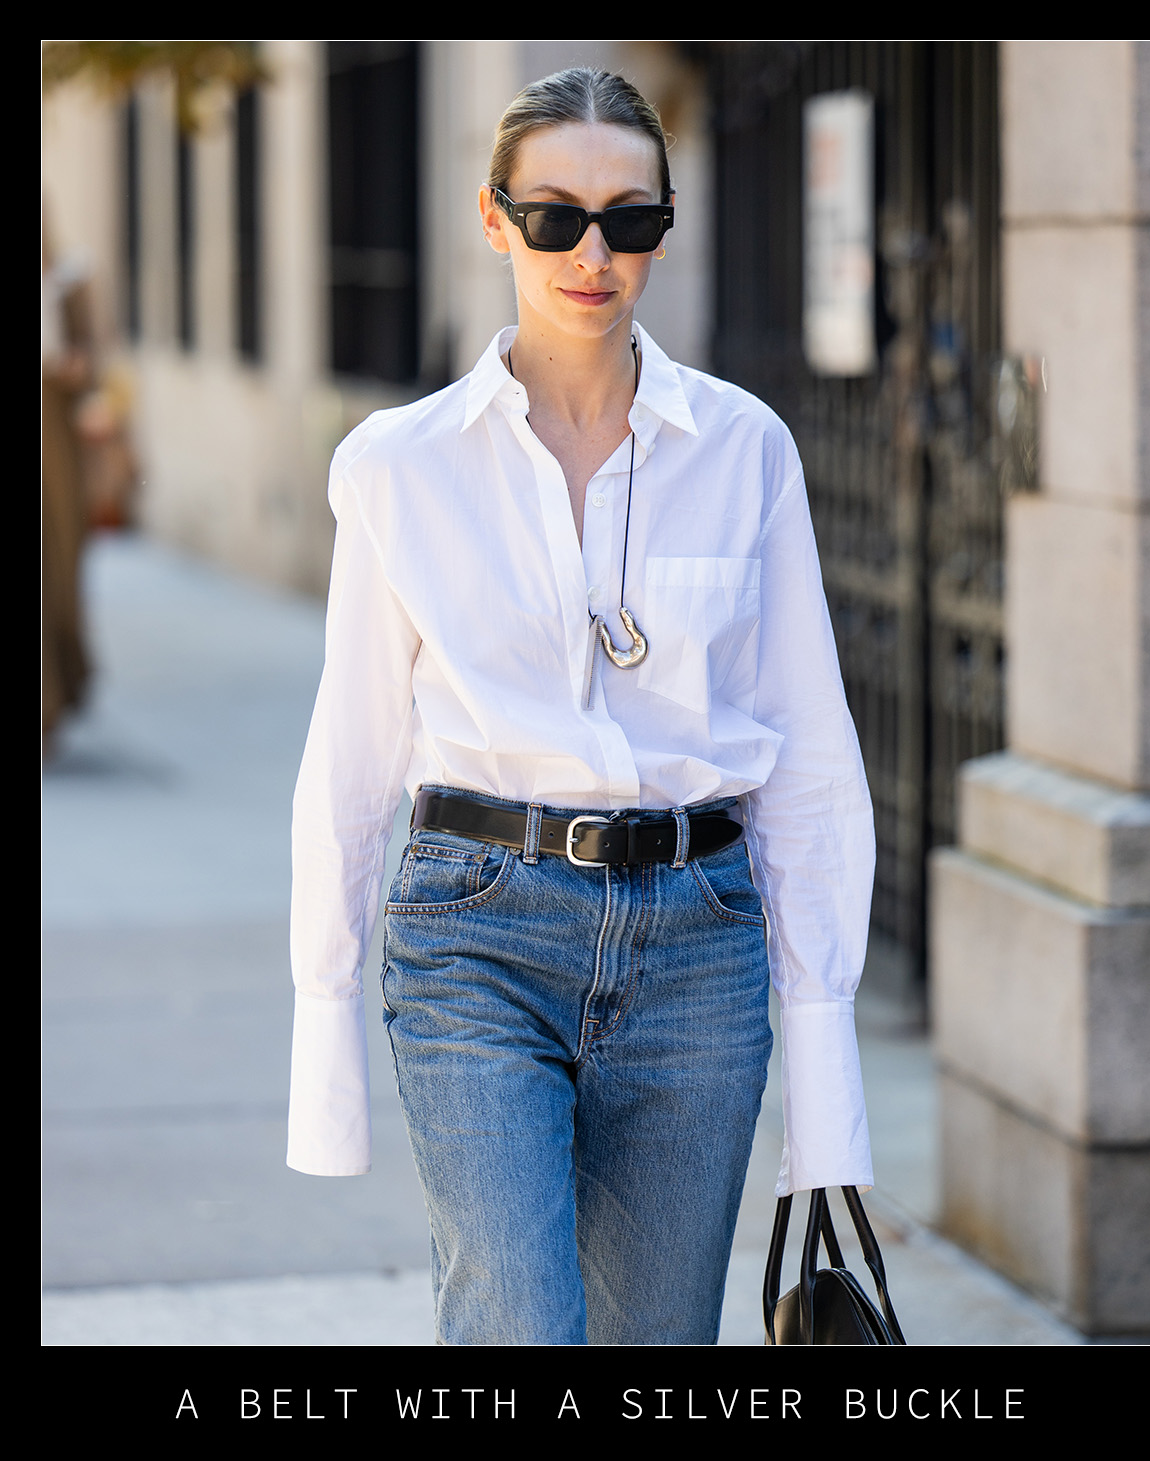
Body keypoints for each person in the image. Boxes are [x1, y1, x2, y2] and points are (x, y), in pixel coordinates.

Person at [287, 66, 875, 1346]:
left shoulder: (746, 450)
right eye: (554, 218)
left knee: (657, 1342)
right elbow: (353, 752)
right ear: (494, 220)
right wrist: (324, 1026)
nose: (592, 255)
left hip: (699, 945)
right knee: (518, 1323)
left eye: (630, 219)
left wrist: (824, 1059)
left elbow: (809, 753)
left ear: (665, 226)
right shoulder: (398, 467)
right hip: (477, 935)